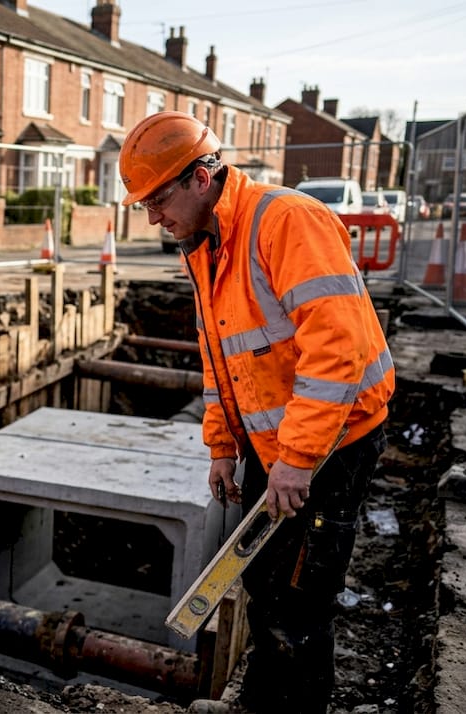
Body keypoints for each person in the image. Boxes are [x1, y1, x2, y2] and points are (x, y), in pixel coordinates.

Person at [118, 112, 394, 714]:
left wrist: (296, 461)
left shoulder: (287, 220)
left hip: (332, 444)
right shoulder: (204, 244)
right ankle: (265, 700)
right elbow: (222, 356)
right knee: (264, 585)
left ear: (201, 177)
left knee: (300, 602)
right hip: (276, 446)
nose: (152, 217)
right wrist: (221, 445)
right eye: (143, 205)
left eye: (157, 199)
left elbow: (335, 349)